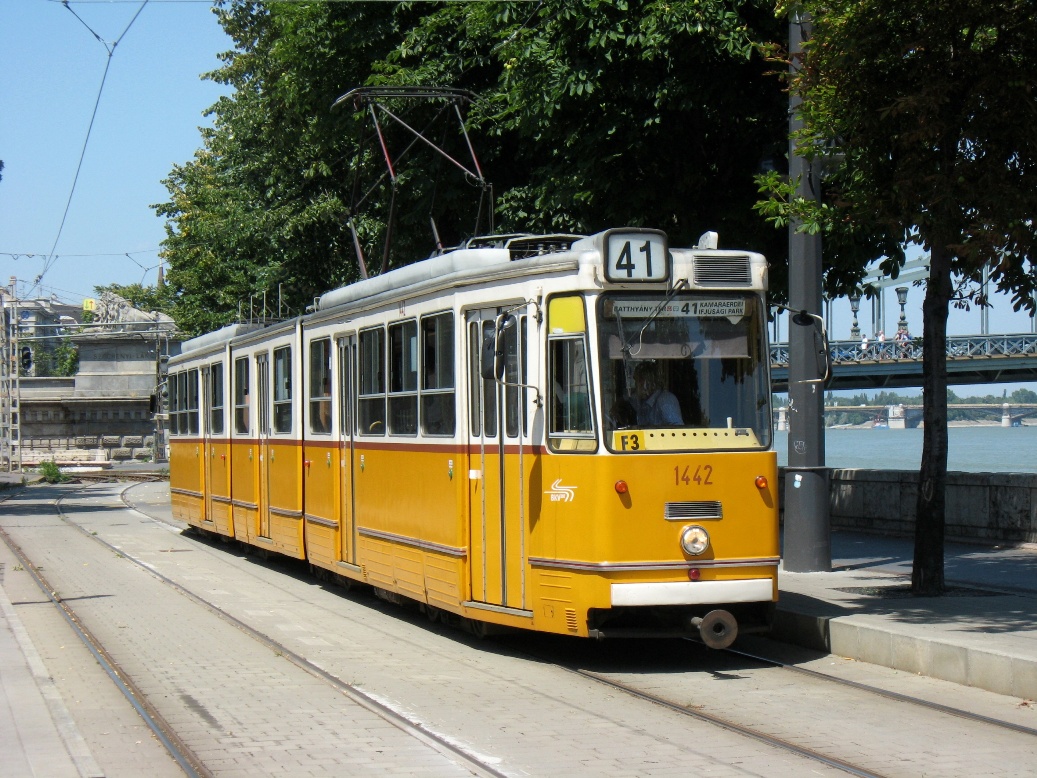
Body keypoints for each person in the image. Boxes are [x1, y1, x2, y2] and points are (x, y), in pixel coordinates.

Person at [632, 361, 683, 426]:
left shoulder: (665, 400)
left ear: (647, 382)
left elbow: (677, 431)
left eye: (638, 381)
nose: (636, 385)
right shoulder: (642, 402)